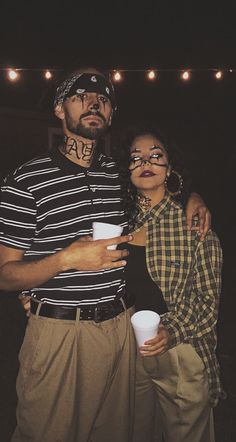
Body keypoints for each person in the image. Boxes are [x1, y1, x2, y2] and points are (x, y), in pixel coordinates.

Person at [0, 68, 211, 442]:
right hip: (60, 333)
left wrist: (195, 198)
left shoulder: (119, 174)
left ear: (111, 115)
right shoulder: (24, 181)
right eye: (80, 95)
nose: (93, 102)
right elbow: (5, 274)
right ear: (59, 109)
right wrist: (65, 260)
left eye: (103, 98)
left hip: (121, 330)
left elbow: (165, 182)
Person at [120, 125, 224, 442]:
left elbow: (207, 301)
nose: (145, 162)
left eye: (155, 155)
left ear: (170, 168)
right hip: (129, 350)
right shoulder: (119, 224)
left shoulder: (193, 223)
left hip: (180, 350)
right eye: (135, 158)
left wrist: (172, 330)